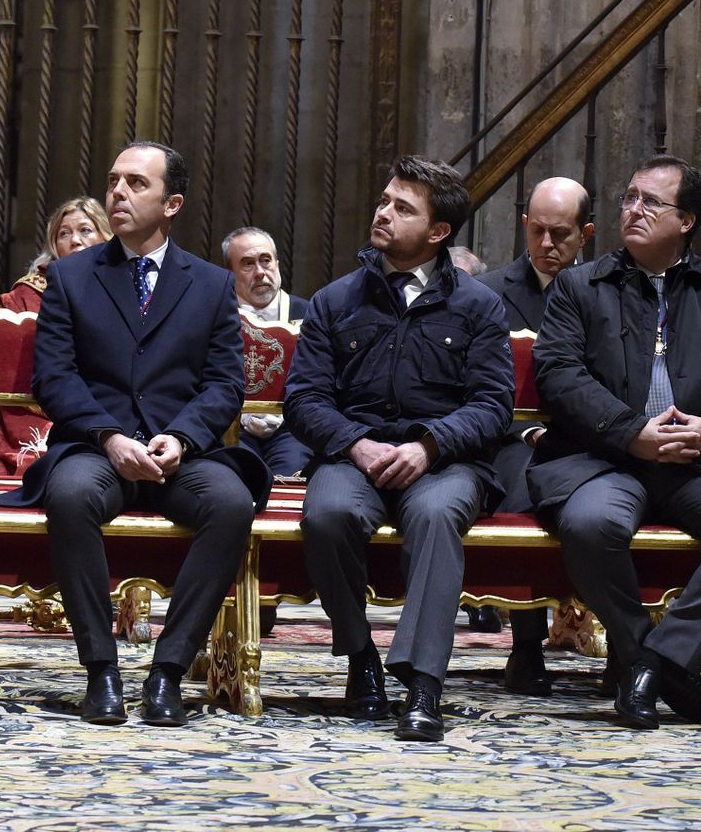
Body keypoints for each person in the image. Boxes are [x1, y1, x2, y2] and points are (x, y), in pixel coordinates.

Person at [0, 142, 271, 728]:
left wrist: (184, 436)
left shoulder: (211, 284)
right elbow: (55, 377)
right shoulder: (70, 277)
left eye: (135, 184)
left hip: (180, 452)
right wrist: (110, 436)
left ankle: (167, 671)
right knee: (68, 497)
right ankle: (101, 671)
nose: (116, 193)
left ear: (171, 203)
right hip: (98, 447)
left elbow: (225, 384)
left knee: (231, 503)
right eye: (113, 181)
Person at [529, 154, 701, 731]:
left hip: (695, 463)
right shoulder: (581, 285)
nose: (633, 209)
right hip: (603, 461)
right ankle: (656, 661)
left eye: (651, 201)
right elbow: (558, 373)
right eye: (628, 198)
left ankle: (654, 665)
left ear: (688, 220)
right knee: (591, 524)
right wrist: (631, 433)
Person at [287, 155, 513, 742]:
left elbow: (492, 406)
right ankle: (361, 658)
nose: (383, 213)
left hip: (444, 462)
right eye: (385, 200)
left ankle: (423, 686)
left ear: (438, 233)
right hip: (352, 456)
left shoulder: (479, 305)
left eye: (402, 208)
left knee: (437, 515)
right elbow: (305, 398)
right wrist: (355, 445)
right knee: (328, 512)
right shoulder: (336, 300)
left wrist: (429, 445)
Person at [475, 176, 596, 696]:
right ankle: (526, 645)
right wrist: (528, 433)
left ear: (585, 234)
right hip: (512, 440)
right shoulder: (487, 295)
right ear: (524, 226)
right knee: (523, 496)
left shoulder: (603, 293)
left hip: (588, 440)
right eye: (538, 232)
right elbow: (473, 390)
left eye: (562, 235)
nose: (548, 246)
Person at [0, 198, 112, 476]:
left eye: (86, 230)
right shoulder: (26, 295)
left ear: (105, 236)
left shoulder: (126, 289)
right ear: (54, 245)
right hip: (34, 415)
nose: (75, 240)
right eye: (64, 234)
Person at [222, 226, 313, 481]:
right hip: (232, 425)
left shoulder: (310, 315)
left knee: (293, 474)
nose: (260, 273)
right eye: (248, 264)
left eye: (266, 261)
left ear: (277, 264)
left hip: (291, 429)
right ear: (230, 273)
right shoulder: (216, 316)